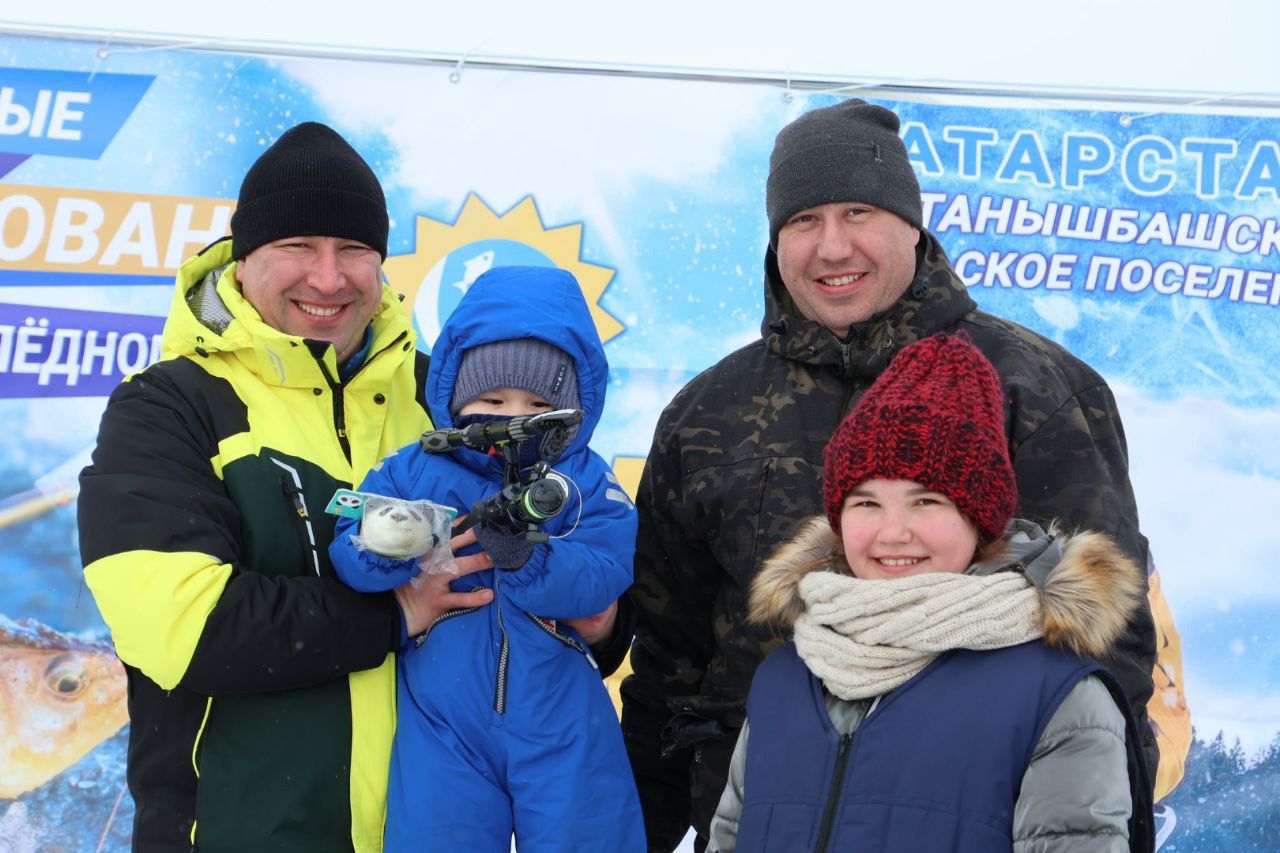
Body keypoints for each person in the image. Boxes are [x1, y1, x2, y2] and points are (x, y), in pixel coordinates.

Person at [613, 98, 1159, 850]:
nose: (832, 246)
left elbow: (1108, 655)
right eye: (804, 221)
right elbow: (669, 667)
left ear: (913, 223)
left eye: (858, 212)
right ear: (775, 239)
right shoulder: (706, 411)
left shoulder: (1038, 387)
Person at [77, 121, 494, 852]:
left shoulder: (442, 399)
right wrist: (391, 613)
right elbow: (183, 626)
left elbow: (509, 571)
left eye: (353, 250)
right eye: (297, 247)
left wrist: (599, 619)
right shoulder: (170, 405)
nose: (328, 278)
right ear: (243, 262)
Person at [706, 333, 1153, 852]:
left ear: (979, 519)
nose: (893, 533)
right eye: (866, 503)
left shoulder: (1055, 695)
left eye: (926, 502)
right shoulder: (787, 677)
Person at [329, 265, 645, 852]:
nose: (510, 418)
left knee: (589, 835)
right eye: (493, 399)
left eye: (537, 402)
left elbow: (607, 566)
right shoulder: (413, 469)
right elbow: (349, 547)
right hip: (440, 717)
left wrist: (529, 558)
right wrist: (394, 542)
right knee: (435, 835)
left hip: (562, 712)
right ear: (455, 396)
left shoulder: (584, 479)